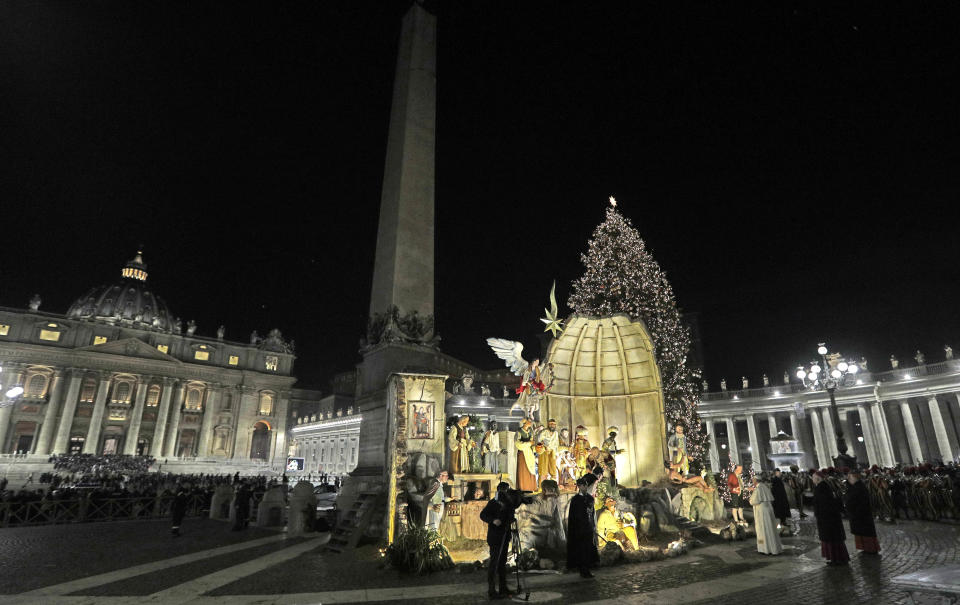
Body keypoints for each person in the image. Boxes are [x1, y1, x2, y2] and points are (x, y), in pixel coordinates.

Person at [479, 482, 516, 600]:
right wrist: (493, 520)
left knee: (502, 563)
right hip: (495, 537)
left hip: (505, 536)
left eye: (507, 490)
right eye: (504, 491)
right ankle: (491, 590)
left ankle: (503, 587)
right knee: (494, 563)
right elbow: (483, 515)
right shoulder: (493, 503)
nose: (506, 493)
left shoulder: (509, 504)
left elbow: (510, 516)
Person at [566, 473, 599, 578]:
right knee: (581, 550)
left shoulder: (590, 498)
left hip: (588, 528)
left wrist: (593, 526)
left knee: (588, 549)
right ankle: (582, 570)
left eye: (585, 485)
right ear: (579, 486)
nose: (584, 487)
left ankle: (587, 569)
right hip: (579, 530)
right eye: (582, 485)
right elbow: (573, 516)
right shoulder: (575, 500)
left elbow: (592, 512)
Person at [813, 471, 849, 565]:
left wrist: (819, 515)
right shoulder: (823, 486)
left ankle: (836, 559)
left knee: (832, 540)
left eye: (813, 477)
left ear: (818, 478)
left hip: (828, 518)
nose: (812, 479)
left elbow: (823, 504)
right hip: (828, 518)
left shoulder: (821, 488)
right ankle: (835, 558)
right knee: (831, 539)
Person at [845, 469, 880, 555]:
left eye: (850, 477)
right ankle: (865, 547)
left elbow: (860, 500)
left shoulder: (859, 487)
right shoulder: (854, 486)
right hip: (857, 514)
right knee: (860, 533)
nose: (849, 479)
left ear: (855, 478)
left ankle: (870, 549)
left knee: (866, 533)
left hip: (861, 514)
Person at [749, 480, 783, 555]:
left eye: (753, 480)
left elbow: (753, 501)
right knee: (770, 529)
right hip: (768, 511)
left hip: (761, 512)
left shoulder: (758, 489)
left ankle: (764, 548)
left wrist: (751, 496)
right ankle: (773, 548)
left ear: (755, 481)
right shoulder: (764, 486)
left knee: (762, 530)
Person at [515, 418, 538, 492]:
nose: (530, 423)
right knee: (524, 470)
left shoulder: (530, 431)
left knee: (531, 470)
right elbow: (517, 444)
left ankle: (531, 487)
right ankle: (524, 488)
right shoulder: (519, 431)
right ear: (524, 423)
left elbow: (532, 442)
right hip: (523, 454)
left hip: (530, 453)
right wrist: (528, 444)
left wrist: (535, 447)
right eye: (529, 421)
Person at [537, 419, 560, 484]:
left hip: (552, 452)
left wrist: (556, 453)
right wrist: (544, 446)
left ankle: (553, 486)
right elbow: (539, 441)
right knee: (543, 470)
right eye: (551, 424)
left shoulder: (556, 433)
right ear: (548, 424)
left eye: (553, 424)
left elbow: (556, 444)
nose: (552, 425)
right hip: (544, 452)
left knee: (553, 470)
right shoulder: (544, 432)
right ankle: (541, 487)